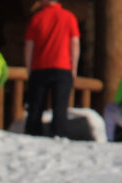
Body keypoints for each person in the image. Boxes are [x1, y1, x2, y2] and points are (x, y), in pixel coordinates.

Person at [24, 0, 80, 137]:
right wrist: (74, 68)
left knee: (36, 108)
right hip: (63, 68)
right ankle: (59, 136)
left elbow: (29, 46)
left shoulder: (37, 18)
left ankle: (32, 136)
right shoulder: (69, 17)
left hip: (39, 68)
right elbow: (75, 44)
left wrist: (29, 68)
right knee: (60, 108)